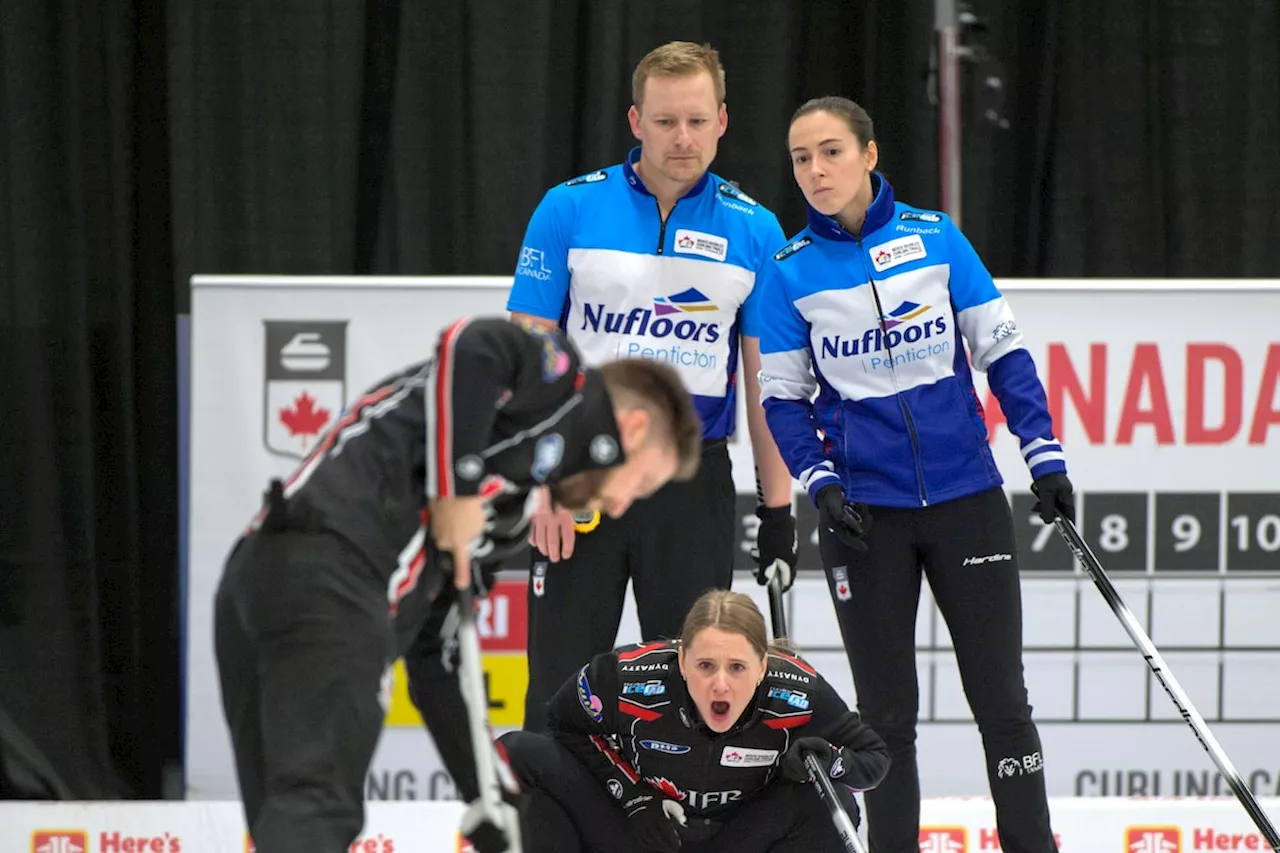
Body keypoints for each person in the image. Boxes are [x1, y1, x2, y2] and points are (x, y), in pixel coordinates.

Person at [212, 316, 703, 853]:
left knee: (284, 813)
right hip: (329, 568)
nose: (621, 506)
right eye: (642, 483)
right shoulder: (562, 380)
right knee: (319, 805)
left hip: (266, 582)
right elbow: (472, 344)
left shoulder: (508, 514)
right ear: (630, 430)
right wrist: (459, 488)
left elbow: (438, 658)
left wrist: (492, 796)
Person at [753, 95, 1075, 853]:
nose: (815, 170)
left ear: (869, 155)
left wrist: (1044, 454)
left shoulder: (937, 239)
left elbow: (1004, 356)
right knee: (885, 714)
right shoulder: (789, 273)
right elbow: (783, 401)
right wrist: (820, 483)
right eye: (801, 158)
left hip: (967, 499)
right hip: (864, 517)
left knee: (1002, 699)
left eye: (830, 151)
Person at [506, 40, 799, 735]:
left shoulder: (756, 229)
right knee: (559, 687)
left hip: (691, 484)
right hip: (583, 475)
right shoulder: (567, 209)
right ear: (635, 121)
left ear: (723, 120)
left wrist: (779, 510)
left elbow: (768, 384)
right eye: (666, 121)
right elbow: (526, 353)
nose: (683, 138)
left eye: (698, 121)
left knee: (696, 690)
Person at [498, 589, 890, 853]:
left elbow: (873, 759)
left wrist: (831, 760)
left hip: (740, 836)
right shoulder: (626, 677)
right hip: (650, 833)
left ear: (762, 667)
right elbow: (560, 725)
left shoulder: (798, 692)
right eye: (705, 666)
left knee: (833, 799)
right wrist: (633, 796)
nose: (720, 684)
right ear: (682, 661)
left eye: (737, 667)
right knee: (517, 754)